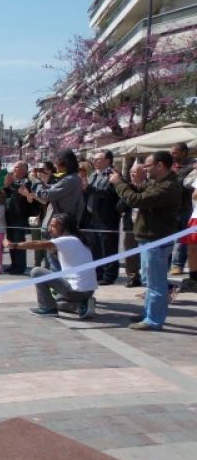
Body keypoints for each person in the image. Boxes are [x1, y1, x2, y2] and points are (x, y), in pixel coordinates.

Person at [110, 151, 182, 330]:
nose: (145, 169)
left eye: (148, 166)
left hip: (156, 240)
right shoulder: (157, 183)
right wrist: (124, 180)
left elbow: (137, 200)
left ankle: (154, 320)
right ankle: (150, 312)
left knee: (156, 283)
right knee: (149, 280)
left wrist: (118, 184)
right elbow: (138, 190)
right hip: (149, 238)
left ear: (160, 165)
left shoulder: (168, 186)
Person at [7, 213, 97, 318]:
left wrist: (15, 245)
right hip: (88, 290)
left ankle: (47, 308)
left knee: (37, 272)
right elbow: (40, 242)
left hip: (76, 290)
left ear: (64, 227)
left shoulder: (66, 240)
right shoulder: (79, 239)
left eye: (53, 226)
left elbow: (38, 244)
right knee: (57, 300)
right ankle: (81, 305)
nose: (50, 229)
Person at [19, 149, 84, 271]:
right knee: (53, 259)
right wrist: (42, 181)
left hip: (61, 225)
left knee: (57, 262)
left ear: (65, 163)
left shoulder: (71, 179)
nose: (55, 167)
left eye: (57, 163)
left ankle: (59, 286)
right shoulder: (70, 178)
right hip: (56, 223)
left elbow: (47, 195)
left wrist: (36, 181)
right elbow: (52, 189)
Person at [83, 150, 121, 285]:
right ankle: (98, 272)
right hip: (93, 215)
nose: (94, 162)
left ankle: (109, 274)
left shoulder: (113, 175)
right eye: (93, 159)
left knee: (108, 246)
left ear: (108, 160)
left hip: (106, 216)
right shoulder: (93, 174)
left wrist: (88, 188)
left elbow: (109, 195)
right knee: (95, 246)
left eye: (98, 159)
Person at [170, 141, 196, 275]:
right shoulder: (170, 166)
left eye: (175, 152)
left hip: (185, 208)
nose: (172, 155)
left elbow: (186, 184)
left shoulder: (192, 167)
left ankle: (177, 265)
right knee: (168, 237)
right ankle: (168, 264)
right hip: (170, 209)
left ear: (184, 152)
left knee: (182, 239)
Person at [3, 161, 33, 275]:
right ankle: (14, 264)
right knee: (10, 240)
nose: (14, 170)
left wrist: (12, 185)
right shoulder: (12, 182)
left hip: (20, 216)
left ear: (24, 170)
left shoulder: (26, 182)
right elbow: (5, 196)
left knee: (18, 241)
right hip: (10, 215)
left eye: (16, 168)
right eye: (14, 168)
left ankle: (20, 266)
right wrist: (6, 186)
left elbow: (22, 194)